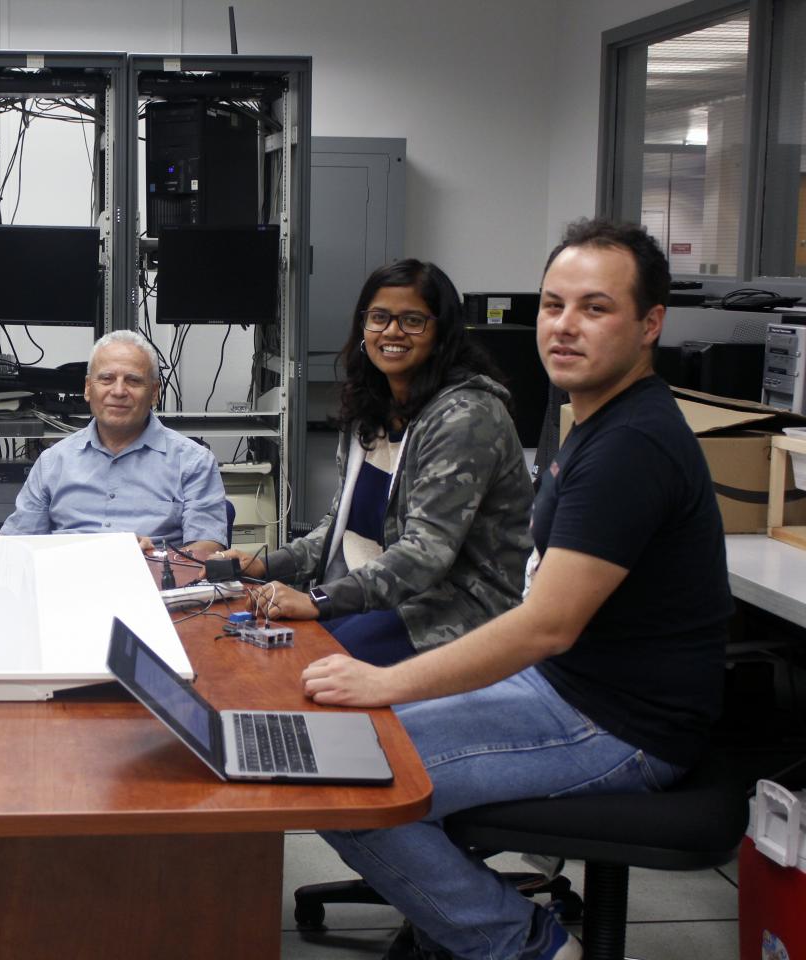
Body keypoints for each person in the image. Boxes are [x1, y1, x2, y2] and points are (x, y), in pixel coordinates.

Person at [303, 220, 733, 960]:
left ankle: (526, 946)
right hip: (566, 687)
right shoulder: (595, 422)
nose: (564, 327)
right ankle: (459, 913)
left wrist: (386, 682)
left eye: (595, 308)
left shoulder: (629, 448)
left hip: (619, 725)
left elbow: (545, 626)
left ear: (650, 323)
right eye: (553, 304)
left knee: (347, 786)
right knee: (342, 745)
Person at [230, 260, 534, 666]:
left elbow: (424, 555)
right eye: (379, 318)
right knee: (247, 642)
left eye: (412, 320)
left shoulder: (466, 416)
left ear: (442, 333)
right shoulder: (371, 410)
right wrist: (263, 564)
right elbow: (339, 528)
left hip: (454, 609)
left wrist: (318, 600)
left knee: (304, 665)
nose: (392, 332)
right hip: (375, 594)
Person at [0, 329, 229, 552]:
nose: (118, 391)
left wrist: (157, 557)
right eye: (107, 379)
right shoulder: (52, 462)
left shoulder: (193, 462)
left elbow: (207, 549)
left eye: (133, 381)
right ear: (88, 388)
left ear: (155, 392)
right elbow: (15, 545)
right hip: (69, 582)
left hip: (152, 584)